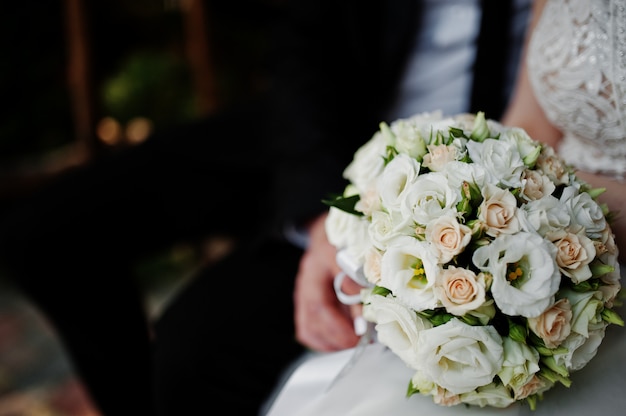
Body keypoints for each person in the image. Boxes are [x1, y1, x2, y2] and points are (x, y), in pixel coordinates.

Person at [0, 0, 530, 415]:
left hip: (475, 169)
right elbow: (306, 40)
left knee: (194, 349)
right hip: (338, 117)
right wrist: (325, 212)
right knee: (45, 234)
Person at [263, 0, 626, 415]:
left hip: (585, 269)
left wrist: (549, 206)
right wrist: (464, 178)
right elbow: (530, 125)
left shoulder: (551, 204)